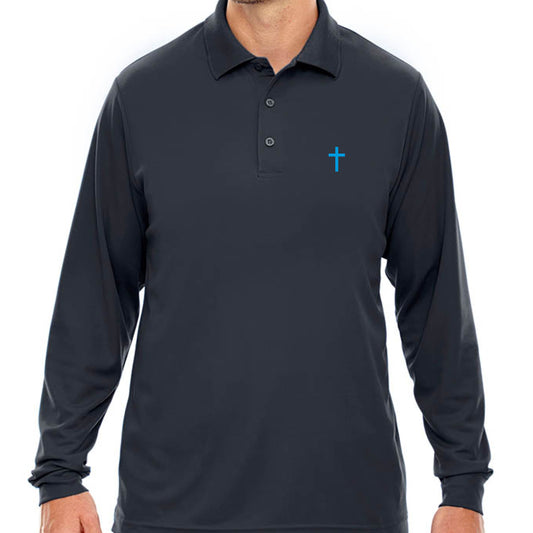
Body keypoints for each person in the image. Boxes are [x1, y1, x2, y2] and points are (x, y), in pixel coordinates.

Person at [28, 1, 493, 532]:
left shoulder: (396, 98)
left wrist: (463, 485)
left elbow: (435, 304)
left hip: (349, 510)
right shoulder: (141, 97)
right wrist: (60, 472)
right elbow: (94, 299)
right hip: (171, 513)